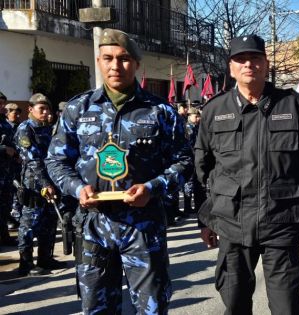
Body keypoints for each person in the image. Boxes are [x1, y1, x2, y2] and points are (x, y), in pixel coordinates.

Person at [45, 28, 193, 314]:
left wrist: (152, 188)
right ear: (99, 61)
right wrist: (77, 188)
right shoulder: (78, 109)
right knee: (96, 308)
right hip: (93, 226)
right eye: (108, 58)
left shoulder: (160, 112)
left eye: (124, 58)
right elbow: (56, 161)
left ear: (137, 64)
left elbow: (184, 161)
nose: (116, 66)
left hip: (143, 225)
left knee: (151, 308)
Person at [195, 34, 299, 315]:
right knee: (235, 304)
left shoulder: (292, 106)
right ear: (231, 67)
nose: (248, 64)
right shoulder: (214, 110)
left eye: (255, 58)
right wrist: (205, 220)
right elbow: (201, 170)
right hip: (231, 224)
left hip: (281, 222)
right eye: (240, 59)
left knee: (287, 307)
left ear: (266, 64)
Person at [14, 93, 65, 276]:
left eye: (47, 109)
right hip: (33, 185)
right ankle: (25, 264)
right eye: (41, 109)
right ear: (30, 109)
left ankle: (45, 258)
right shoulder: (25, 129)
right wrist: (45, 182)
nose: (45, 112)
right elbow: (33, 160)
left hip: (50, 183)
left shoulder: (47, 128)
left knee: (49, 222)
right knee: (29, 224)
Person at [0, 93, 19, 247]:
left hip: (7, 172)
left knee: (5, 205)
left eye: (2, 104)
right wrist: (3, 148)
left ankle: (4, 235)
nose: (1, 107)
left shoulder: (4, 124)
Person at [183, 106, 206, 216]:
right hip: (191, 159)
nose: (198, 119)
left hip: (196, 158)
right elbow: (189, 146)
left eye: (198, 116)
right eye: (195, 116)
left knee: (195, 183)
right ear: (189, 116)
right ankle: (187, 206)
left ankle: (195, 206)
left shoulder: (195, 127)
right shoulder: (188, 128)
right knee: (189, 183)